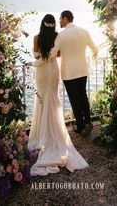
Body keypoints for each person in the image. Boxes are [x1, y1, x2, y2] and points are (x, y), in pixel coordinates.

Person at [27, 14, 89, 176]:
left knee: (41, 99)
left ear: (42, 24)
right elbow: (58, 55)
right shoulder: (57, 36)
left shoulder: (36, 38)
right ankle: (55, 131)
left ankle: (42, 134)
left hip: (41, 72)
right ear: (54, 25)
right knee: (53, 99)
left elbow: (36, 55)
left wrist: (36, 60)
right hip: (53, 70)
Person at [53, 10, 98, 137]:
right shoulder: (84, 32)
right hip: (83, 70)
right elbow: (95, 49)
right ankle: (88, 121)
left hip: (69, 72)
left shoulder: (61, 36)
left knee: (74, 99)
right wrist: (89, 62)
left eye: (60, 19)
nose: (59, 21)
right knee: (83, 96)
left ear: (65, 19)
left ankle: (80, 125)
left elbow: (53, 53)